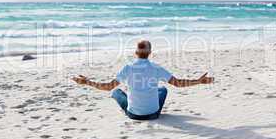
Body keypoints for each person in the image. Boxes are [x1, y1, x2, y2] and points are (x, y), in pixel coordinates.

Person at [72, 40, 214, 120]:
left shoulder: (127, 68)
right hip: (153, 114)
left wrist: (87, 82)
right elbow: (178, 83)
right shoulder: (156, 68)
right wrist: (198, 81)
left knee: (115, 91)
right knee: (163, 89)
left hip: (133, 115)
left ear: (135, 53)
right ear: (150, 53)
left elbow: (107, 86)